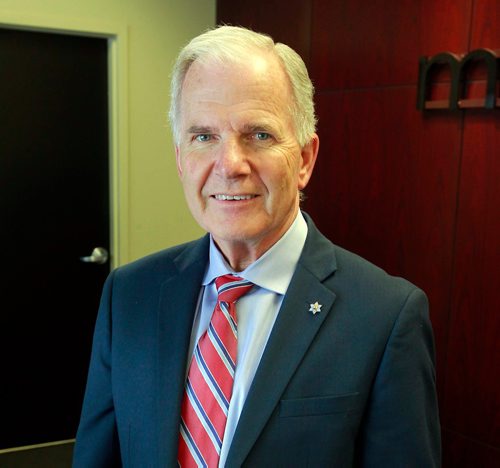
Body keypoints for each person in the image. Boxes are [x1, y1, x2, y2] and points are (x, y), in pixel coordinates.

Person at [73, 25, 441, 467]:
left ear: (304, 159)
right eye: (203, 136)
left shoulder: (385, 316)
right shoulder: (129, 295)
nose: (229, 165)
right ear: (180, 158)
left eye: (259, 135)